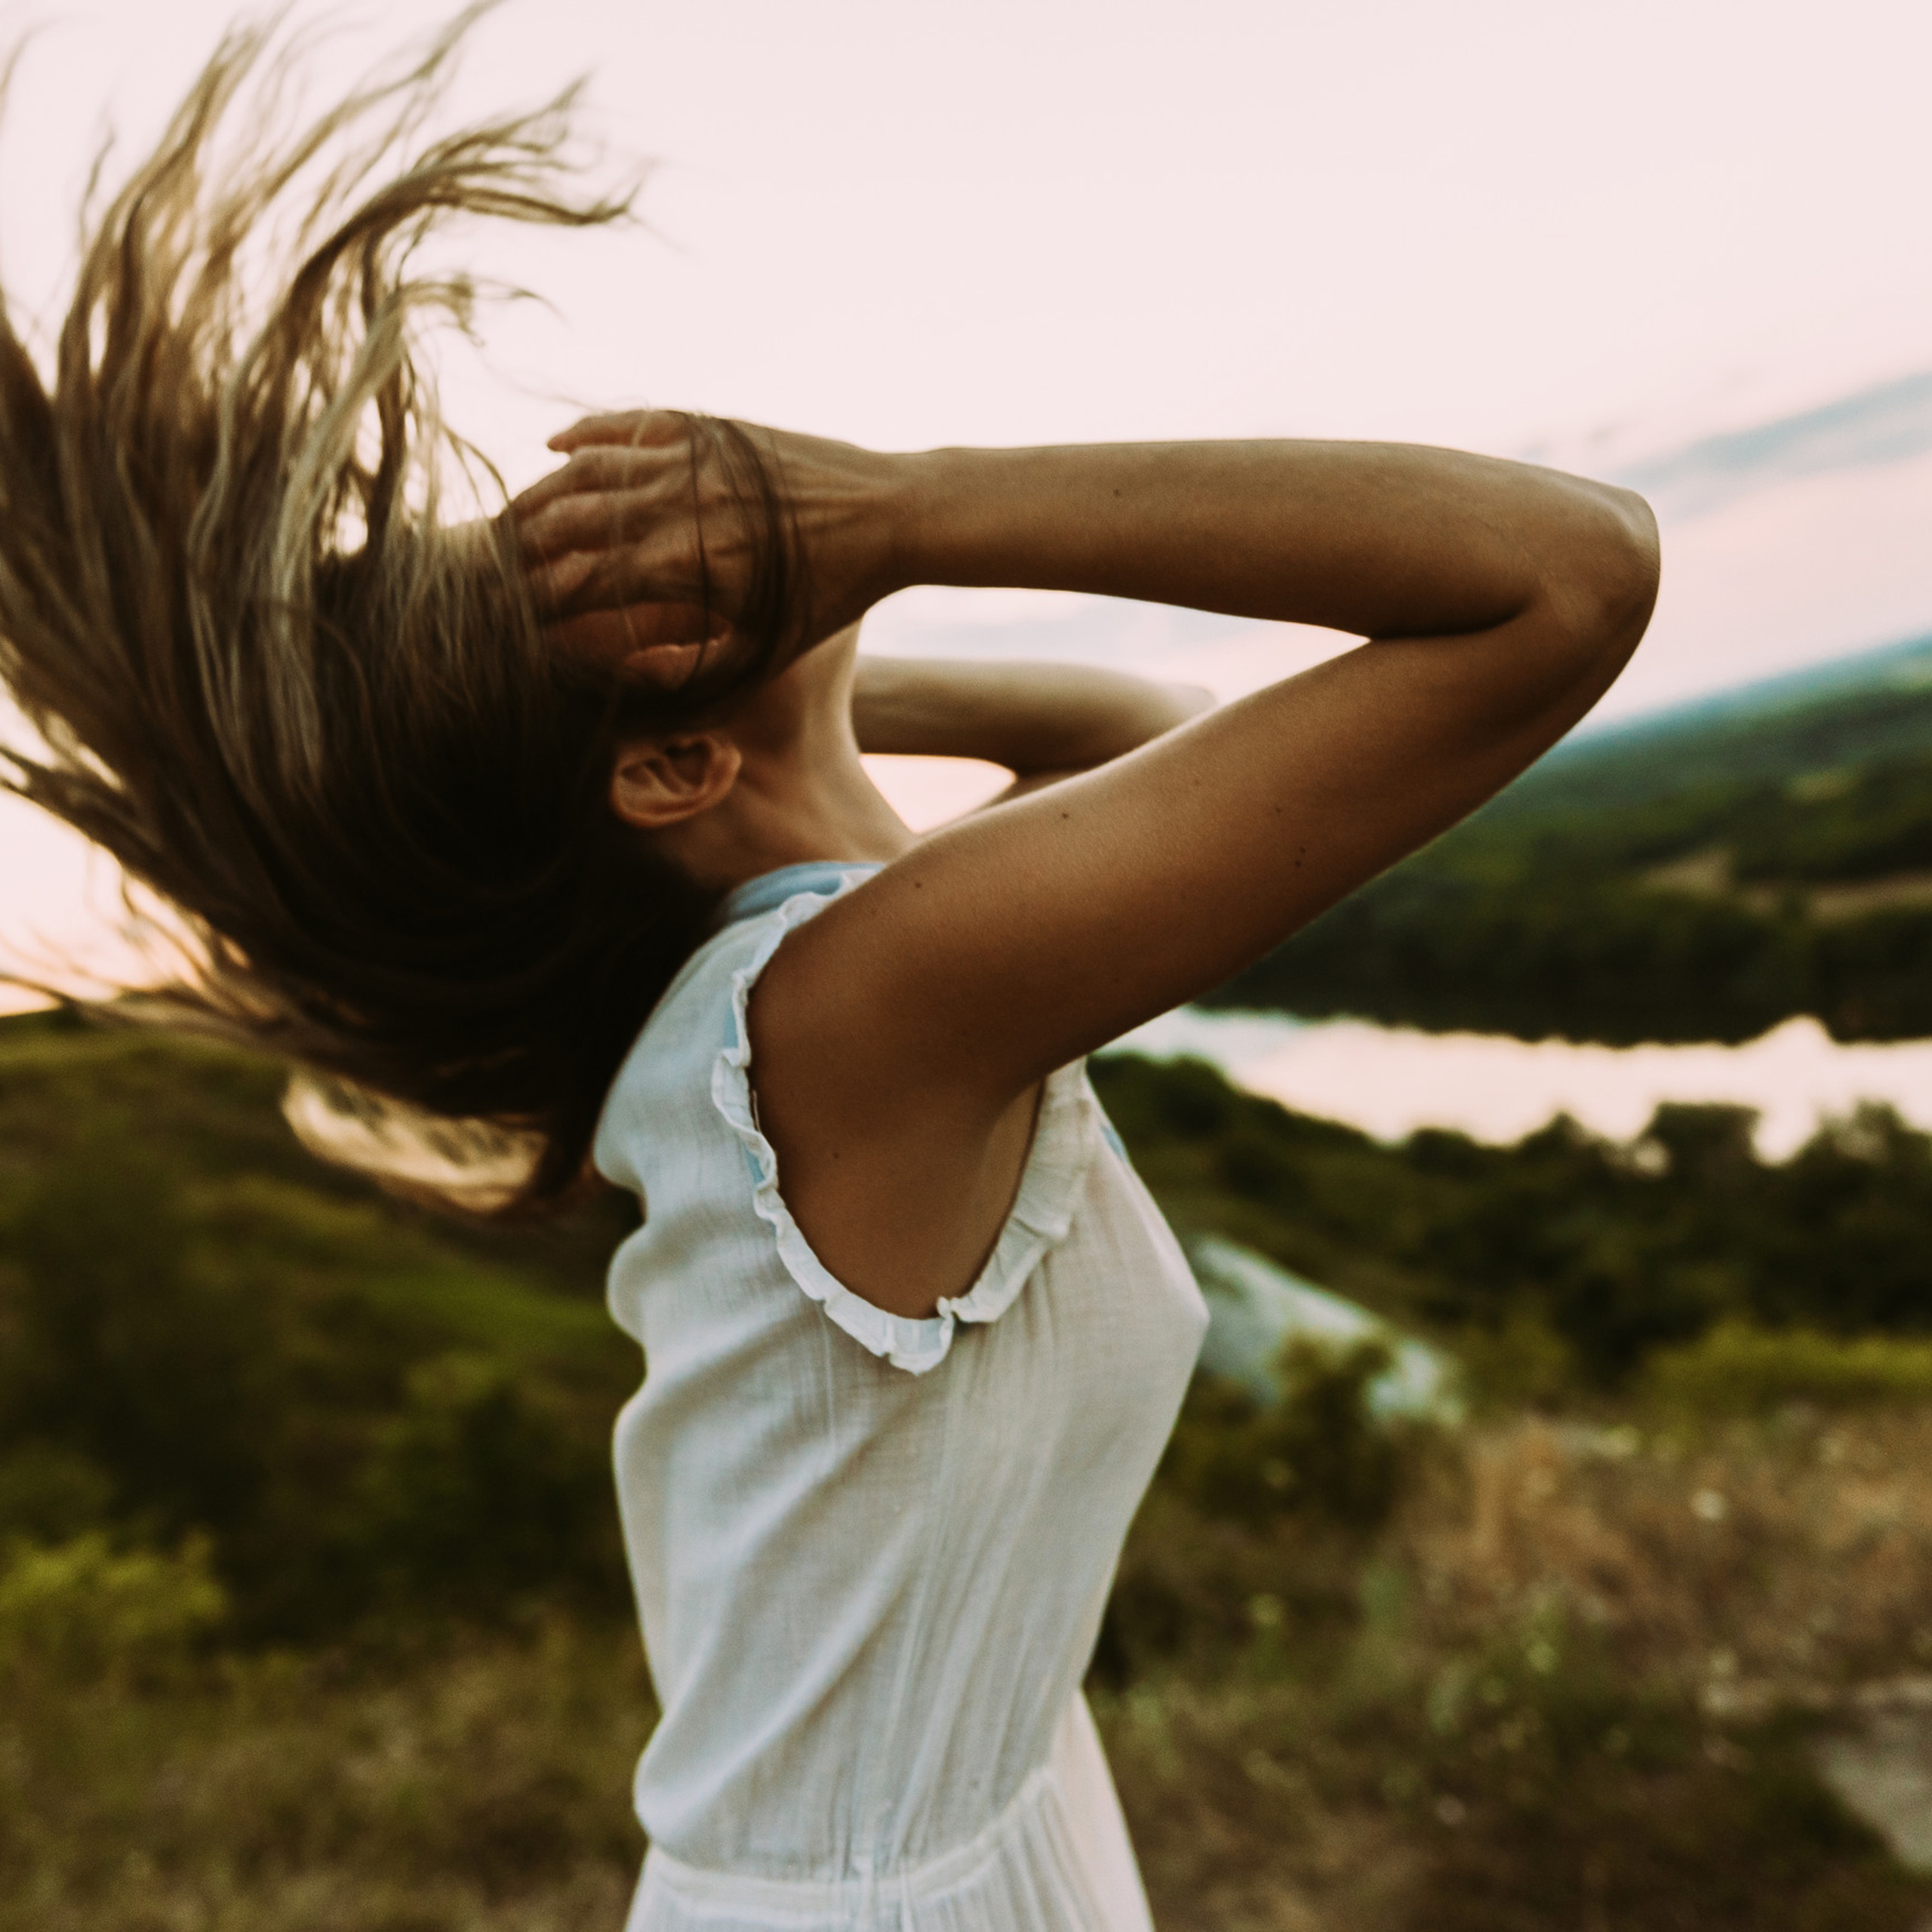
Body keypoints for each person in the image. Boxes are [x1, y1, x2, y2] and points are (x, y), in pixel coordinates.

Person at [0, 17, 1659, 1930]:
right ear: (663, 770)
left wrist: (795, 670)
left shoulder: (820, 984)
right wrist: (905, 513)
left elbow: (1147, 721)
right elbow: (1568, 567)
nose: (676, 544)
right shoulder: (843, 1011)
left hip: (930, 1850)